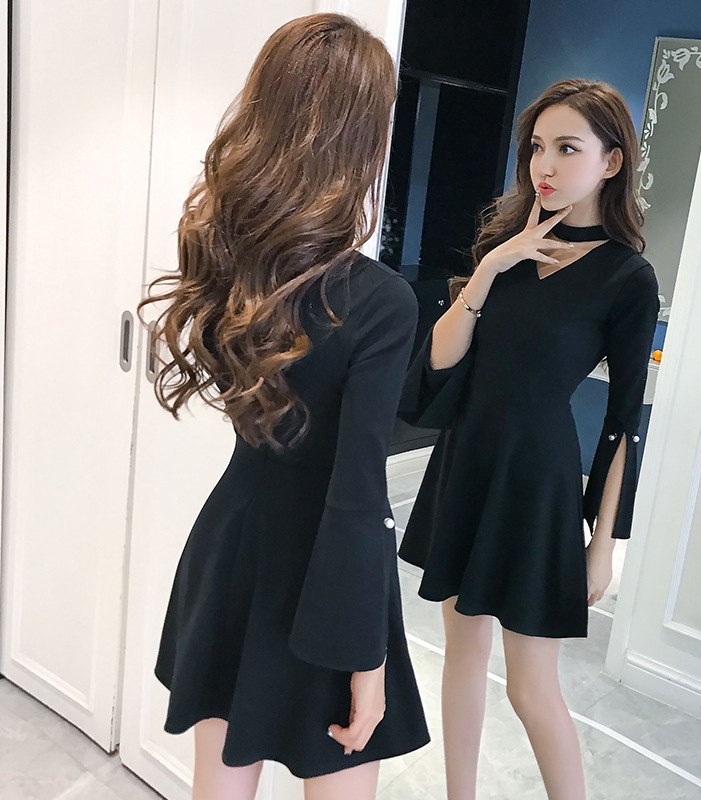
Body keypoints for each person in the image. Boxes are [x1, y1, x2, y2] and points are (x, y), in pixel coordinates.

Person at [138, 14, 429, 800]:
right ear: (362, 136)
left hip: (233, 551)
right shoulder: (379, 300)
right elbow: (358, 494)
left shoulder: (234, 265)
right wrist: (366, 660)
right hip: (330, 582)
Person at [398, 78, 660, 800]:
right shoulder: (503, 250)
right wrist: (489, 269)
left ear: (611, 161)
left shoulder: (627, 276)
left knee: (530, 686)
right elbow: (438, 368)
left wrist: (603, 545)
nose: (545, 165)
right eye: (538, 147)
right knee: (460, 655)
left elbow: (624, 422)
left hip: (536, 479)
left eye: (567, 148)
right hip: (465, 462)